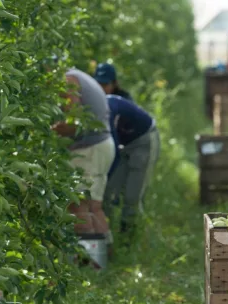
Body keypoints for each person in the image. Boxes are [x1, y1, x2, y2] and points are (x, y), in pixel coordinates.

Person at [51, 68, 115, 242]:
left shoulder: (69, 80)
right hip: (100, 147)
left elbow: (73, 124)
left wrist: (47, 132)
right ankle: (102, 259)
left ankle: (88, 264)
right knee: (94, 207)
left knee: (80, 207)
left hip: (90, 150)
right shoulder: (79, 76)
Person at [103, 94, 160, 234]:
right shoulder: (94, 109)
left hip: (144, 140)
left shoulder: (107, 109)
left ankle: (130, 237)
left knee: (132, 196)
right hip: (125, 143)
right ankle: (107, 234)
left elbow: (114, 148)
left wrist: (107, 174)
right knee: (109, 192)